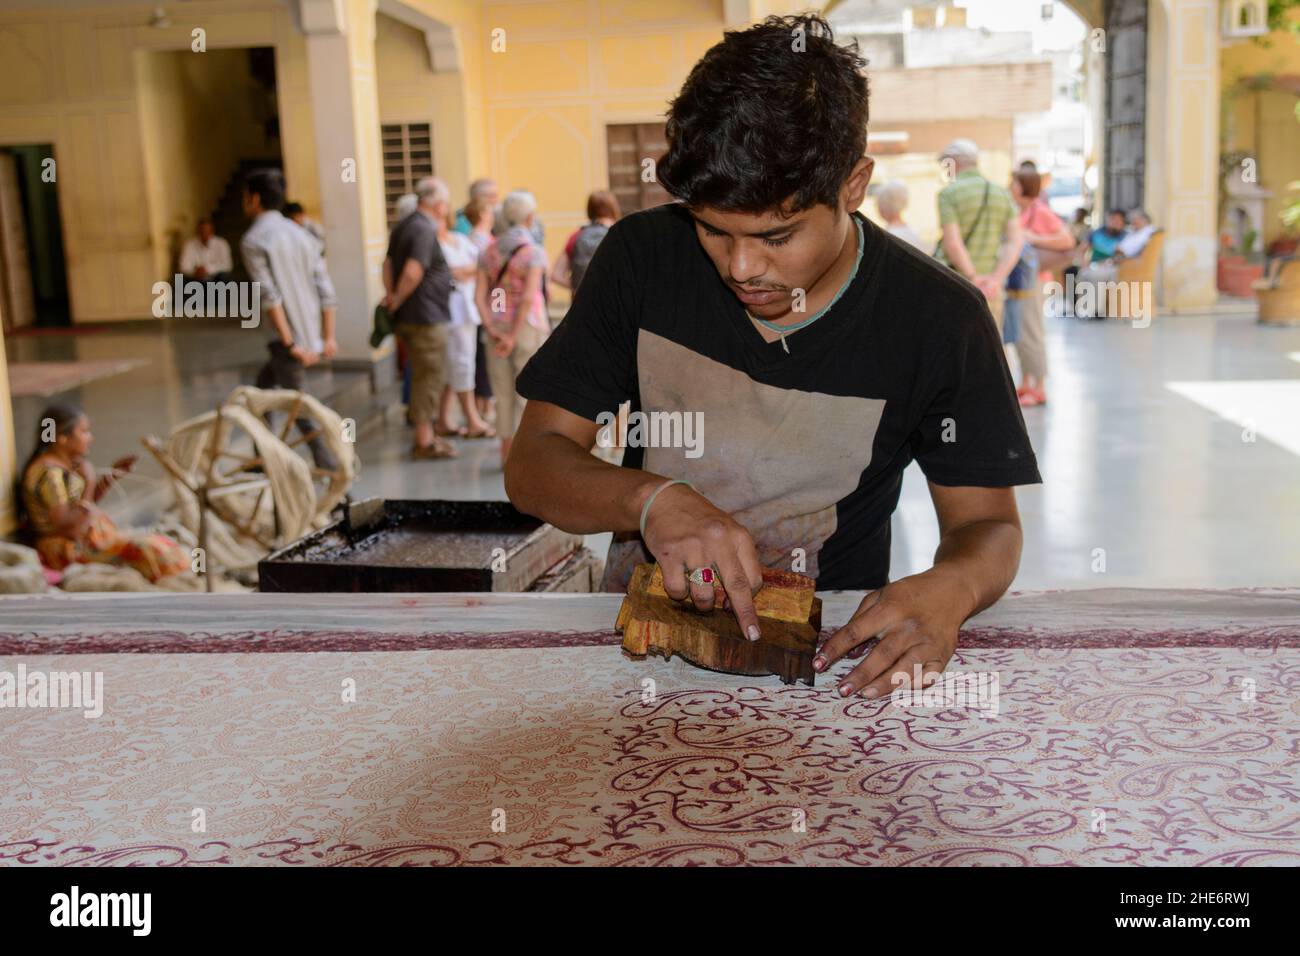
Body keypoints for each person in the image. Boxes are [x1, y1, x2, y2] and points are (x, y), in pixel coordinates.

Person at [506, 15, 1040, 699]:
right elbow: (533, 464)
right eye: (711, 229)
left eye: (777, 235)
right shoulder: (641, 260)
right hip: (643, 650)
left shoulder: (939, 318)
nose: (741, 266)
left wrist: (955, 586)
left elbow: (988, 524)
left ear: (854, 185)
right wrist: (653, 501)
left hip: (824, 661)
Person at [240, 168, 340, 470]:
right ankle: (262, 452)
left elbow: (270, 297)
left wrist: (290, 342)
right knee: (262, 389)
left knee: (299, 406)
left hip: (287, 339)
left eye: (245, 198)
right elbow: (327, 291)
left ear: (255, 199)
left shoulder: (254, 239)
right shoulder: (302, 234)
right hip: (307, 333)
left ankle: (330, 465)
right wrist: (327, 337)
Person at [19, 405, 188, 582]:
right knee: (152, 550)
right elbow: (68, 528)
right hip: (66, 549)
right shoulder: (50, 473)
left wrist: (111, 477)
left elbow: (81, 511)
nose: (90, 438)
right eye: (84, 432)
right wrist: (89, 483)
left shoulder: (64, 466)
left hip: (85, 539)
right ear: (62, 437)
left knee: (164, 544)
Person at [384, 176, 458, 460]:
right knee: (429, 377)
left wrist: (392, 296)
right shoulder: (424, 228)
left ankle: (428, 435)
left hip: (415, 314)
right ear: (439, 205)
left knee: (423, 375)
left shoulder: (404, 224)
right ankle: (424, 441)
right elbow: (413, 271)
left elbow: (388, 264)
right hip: (424, 316)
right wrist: (397, 299)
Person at [475, 189, 550, 469]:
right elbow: (529, 298)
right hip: (526, 328)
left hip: (496, 328)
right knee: (527, 392)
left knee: (501, 391)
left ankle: (506, 454)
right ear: (530, 217)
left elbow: (479, 297)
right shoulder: (533, 252)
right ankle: (525, 457)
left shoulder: (488, 251)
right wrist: (513, 334)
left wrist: (495, 330)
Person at [934, 138, 1023, 335]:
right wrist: (995, 280)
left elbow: (953, 243)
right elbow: (1015, 241)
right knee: (991, 345)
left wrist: (973, 277)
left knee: (957, 347)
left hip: (957, 283)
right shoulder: (1001, 193)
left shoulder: (948, 194)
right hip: (992, 288)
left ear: (953, 162)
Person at [1008, 168, 1074, 407]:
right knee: (1019, 331)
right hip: (1018, 279)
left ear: (1024, 185)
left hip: (1034, 280)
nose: (1011, 186)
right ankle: (1026, 381)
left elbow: (1067, 240)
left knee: (1032, 330)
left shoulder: (1040, 211)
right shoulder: (1019, 211)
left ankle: (1040, 386)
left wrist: (1034, 238)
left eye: (1014, 182)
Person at [436, 202, 496, 440]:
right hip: (450, 312)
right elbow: (452, 272)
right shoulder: (435, 244)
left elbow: (481, 266)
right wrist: (467, 271)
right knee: (460, 364)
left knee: (462, 363)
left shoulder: (458, 240)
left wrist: (465, 271)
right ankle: (472, 419)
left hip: (467, 309)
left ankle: (443, 418)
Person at [462, 196, 496, 424]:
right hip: (482, 304)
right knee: (482, 356)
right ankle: (483, 402)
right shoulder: (481, 242)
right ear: (483, 215)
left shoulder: (469, 239)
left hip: (479, 304)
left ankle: (483, 402)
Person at [552, 190, 621, 293]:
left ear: (589, 210)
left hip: (582, 303)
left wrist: (578, 287)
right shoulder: (620, 234)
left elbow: (555, 275)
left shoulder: (576, 235)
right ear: (614, 208)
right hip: (613, 301)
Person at [873, 180, 924, 250]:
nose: (877, 208)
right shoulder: (914, 233)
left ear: (884, 205)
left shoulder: (887, 236)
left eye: (878, 204)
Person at [179, 218, 232, 283]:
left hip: (215, 279)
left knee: (224, 276)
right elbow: (183, 267)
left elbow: (227, 265)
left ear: (212, 232)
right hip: (196, 279)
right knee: (180, 279)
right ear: (197, 232)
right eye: (201, 231)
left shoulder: (221, 244)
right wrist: (195, 271)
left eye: (207, 231)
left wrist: (207, 269)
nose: (204, 234)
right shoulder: (189, 244)